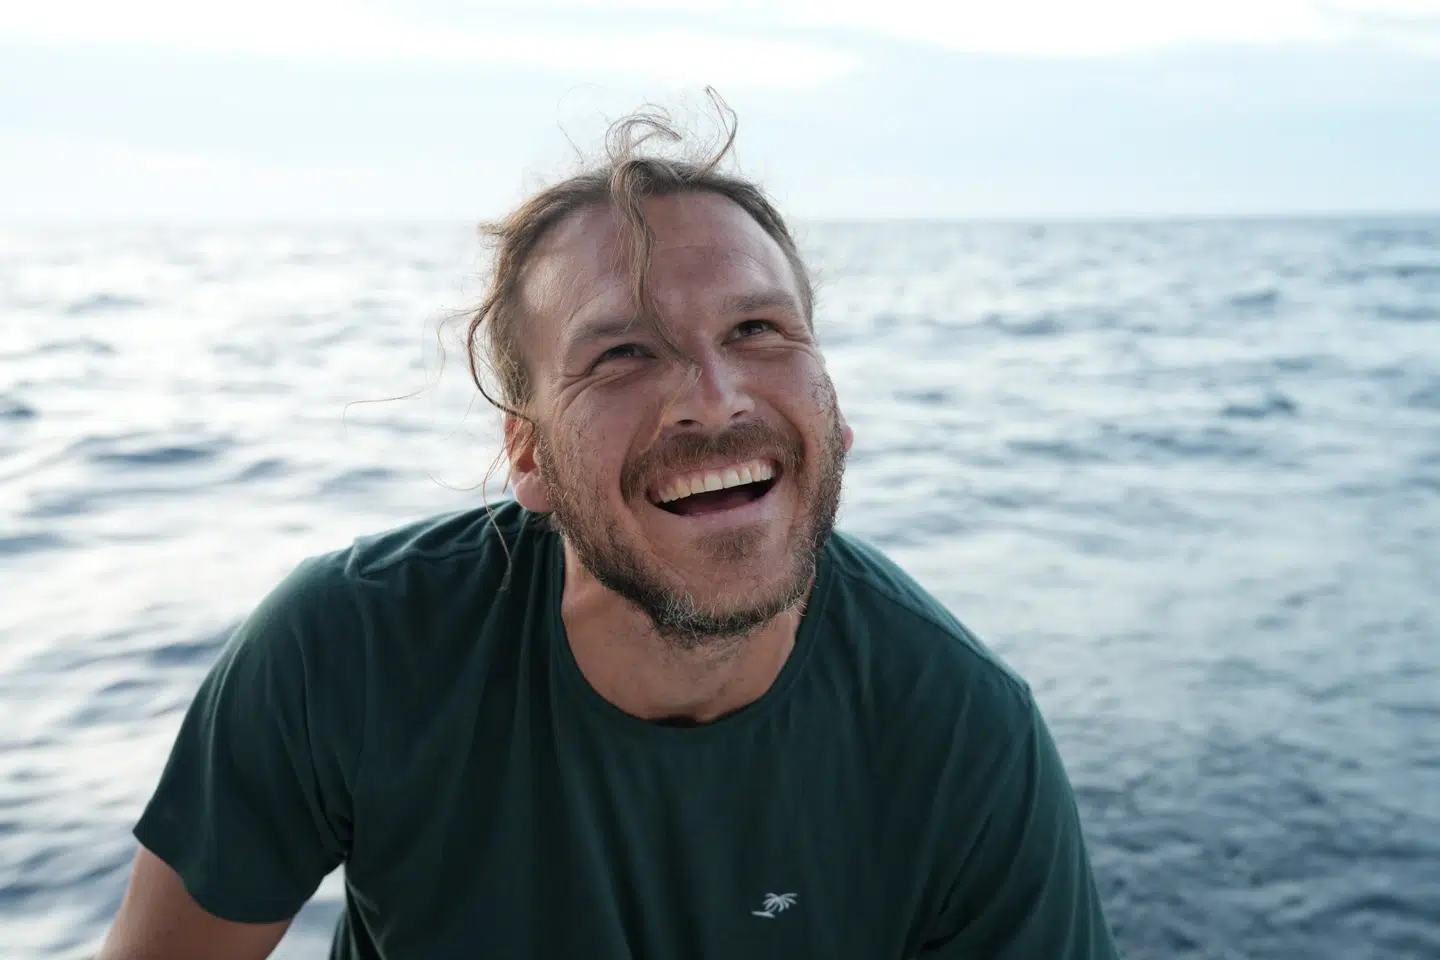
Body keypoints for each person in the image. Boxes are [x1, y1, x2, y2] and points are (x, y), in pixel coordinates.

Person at [98, 100, 1121, 960]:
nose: (713, 398)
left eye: (758, 330)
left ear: (833, 404)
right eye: (623, 354)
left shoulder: (961, 732)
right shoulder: (348, 649)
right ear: (530, 457)